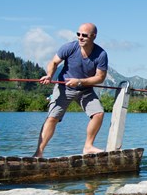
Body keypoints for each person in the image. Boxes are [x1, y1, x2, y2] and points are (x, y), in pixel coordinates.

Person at [33, 23, 108, 157]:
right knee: (52, 118)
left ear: (93, 36)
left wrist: (79, 81)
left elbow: (100, 77)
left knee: (98, 114)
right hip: (64, 88)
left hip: (85, 89)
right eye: (78, 34)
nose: (80, 37)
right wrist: (49, 75)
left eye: (84, 35)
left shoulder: (101, 54)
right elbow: (54, 62)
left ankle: (88, 146)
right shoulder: (69, 47)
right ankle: (39, 153)